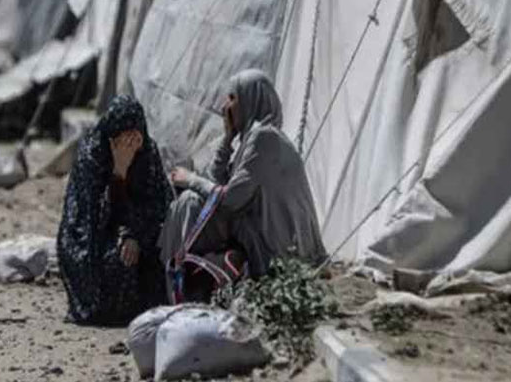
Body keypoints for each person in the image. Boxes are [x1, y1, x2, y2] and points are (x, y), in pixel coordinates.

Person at [161, 69, 326, 302]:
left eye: (232, 97)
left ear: (251, 99)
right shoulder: (255, 138)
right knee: (192, 201)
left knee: (189, 203)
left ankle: (177, 286)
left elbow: (230, 200)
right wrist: (227, 138)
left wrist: (191, 180)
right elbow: (218, 181)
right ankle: (181, 280)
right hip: (262, 237)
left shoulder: (264, 139)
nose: (225, 106)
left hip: (280, 252)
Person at [57, 95, 175, 325]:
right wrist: (119, 171)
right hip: (91, 239)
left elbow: (157, 207)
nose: (132, 144)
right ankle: (107, 312)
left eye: (136, 136)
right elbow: (92, 218)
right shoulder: (92, 156)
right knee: (118, 261)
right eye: (125, 137)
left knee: (156, 257)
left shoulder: (148, 154)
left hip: (138, 232)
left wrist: (134, 235)